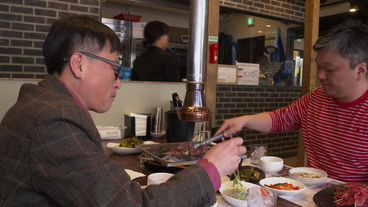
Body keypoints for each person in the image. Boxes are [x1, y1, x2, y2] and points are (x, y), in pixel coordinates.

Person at [0, 16, 246, 206]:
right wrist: (209, 169)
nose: (118, 82)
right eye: (114, 69)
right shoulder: (53, 121)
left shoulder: (44, 104)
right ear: (79, 64)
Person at [216, 19, 368, 183]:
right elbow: (279, 119)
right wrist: (244, 120)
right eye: (318, 67)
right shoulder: (316, 98)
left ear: (360, 71)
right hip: (309, 193)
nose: (320, 75)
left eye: (329, 69)